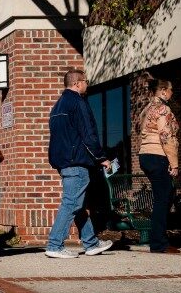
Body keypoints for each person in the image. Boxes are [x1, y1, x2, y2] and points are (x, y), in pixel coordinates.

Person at [45, 69, 113, 259]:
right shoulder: (78, 103)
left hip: (64, 161)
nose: (87, 85)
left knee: (77, 202)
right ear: (77, 83)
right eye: (86, 81)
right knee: (72, 202)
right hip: (77, 161)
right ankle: (54, 245)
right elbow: (88, 134)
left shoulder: (58, 106)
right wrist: (101, 157)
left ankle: (91, 243)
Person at [138, 73, 180, 253]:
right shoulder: (163, 109)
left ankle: (158, 241)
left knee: (163, 196)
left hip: (146, 156)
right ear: (163, 91)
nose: (172, 93)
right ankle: (159, 244)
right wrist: (174, 163)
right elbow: (166, 136)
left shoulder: (146, 109)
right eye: (171, 90)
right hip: (158, 156)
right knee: (162, 199)